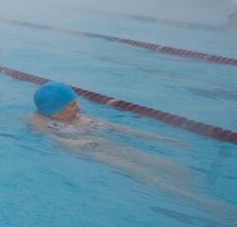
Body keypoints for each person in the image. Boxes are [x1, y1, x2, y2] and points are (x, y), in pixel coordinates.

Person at [26, 82, 195, 194]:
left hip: (110, 145)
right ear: (54, 109)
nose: (79, 108)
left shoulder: (83, 118)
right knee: (139, 172)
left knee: (174, 167)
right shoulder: (39, 120)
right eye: (71, 105)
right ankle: (191, 199)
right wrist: (72, 142)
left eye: (76, 102)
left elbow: (125, 129)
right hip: (89, 150)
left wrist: (165, 139)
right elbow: (50, 137)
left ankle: (189, 192)